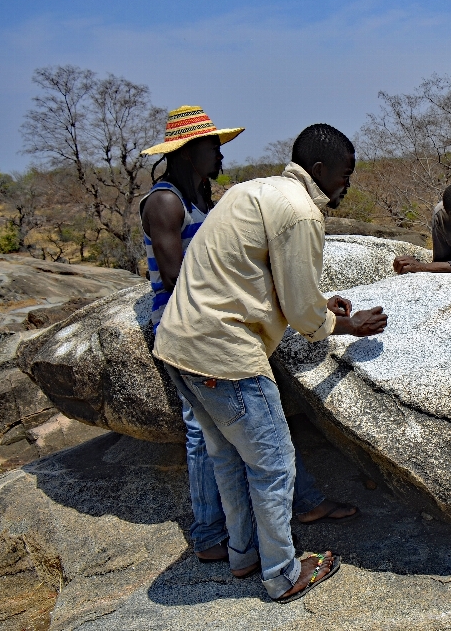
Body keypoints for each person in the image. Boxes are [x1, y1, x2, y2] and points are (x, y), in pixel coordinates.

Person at [152, 123, 388, 602]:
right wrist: (346, 325)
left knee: (226, 456)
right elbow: (300, 309)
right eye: (345, 174)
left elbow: (261, 278)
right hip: (224, 354)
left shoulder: (252, 190)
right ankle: (282, 573)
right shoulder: (301, 212)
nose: (347, 184)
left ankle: (242, 556)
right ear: (320, 172)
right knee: (275, 465)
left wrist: (320, 304)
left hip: (179, 342)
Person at [140, 105, 244, 563]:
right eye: (213, 147)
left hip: (211, 318)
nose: (220, 156)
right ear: (187, 151)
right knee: (201, 429)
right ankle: (207, 534)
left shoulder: (203, 197)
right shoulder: (165, 201)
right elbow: (172, 274)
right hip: (185, 325)